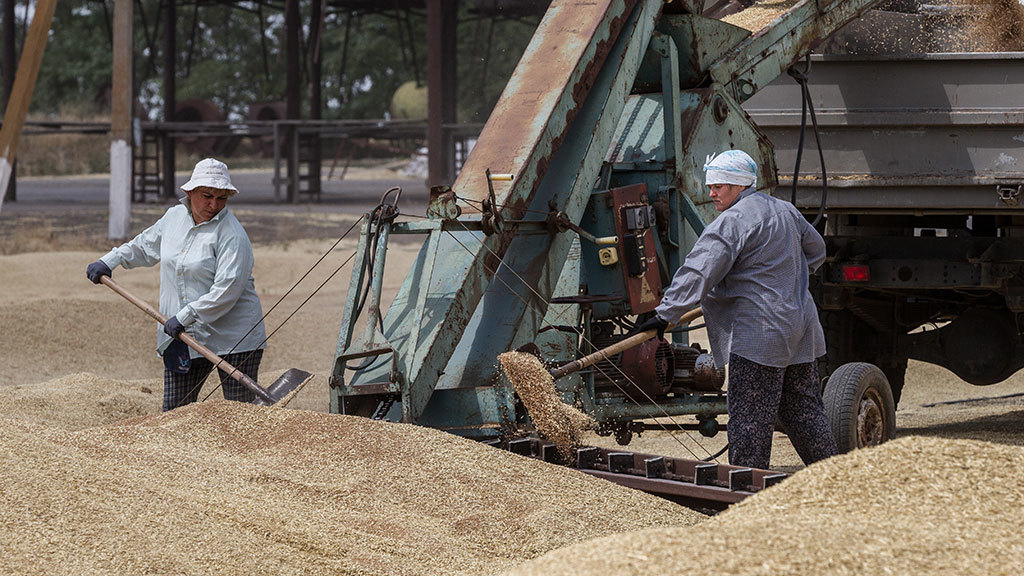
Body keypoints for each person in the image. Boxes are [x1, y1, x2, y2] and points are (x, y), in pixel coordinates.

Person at [636, 149, 838, 470]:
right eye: (711, 185)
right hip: (801, 330)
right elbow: (816, 250)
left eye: (719, 186)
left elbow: (700, 270)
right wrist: (786, 279)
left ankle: (745, 494)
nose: (711, 192)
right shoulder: (785, 211)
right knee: (804, 412)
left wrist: (665, 314)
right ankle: (840, 480)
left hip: (759, 335)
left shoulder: (734, 221)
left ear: (740, 186)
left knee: (749, 420)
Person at [86, 158, 267, 412]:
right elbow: (144, 246)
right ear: (189, 192)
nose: (213, 205)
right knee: (175, 412)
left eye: (221, 198)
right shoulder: (174, 217)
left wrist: (185, 316)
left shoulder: (232, 235)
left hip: (234, 336)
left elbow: (227, 290)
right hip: (182, 333)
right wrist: (109, 260)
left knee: (241, 414)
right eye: (207, 196)